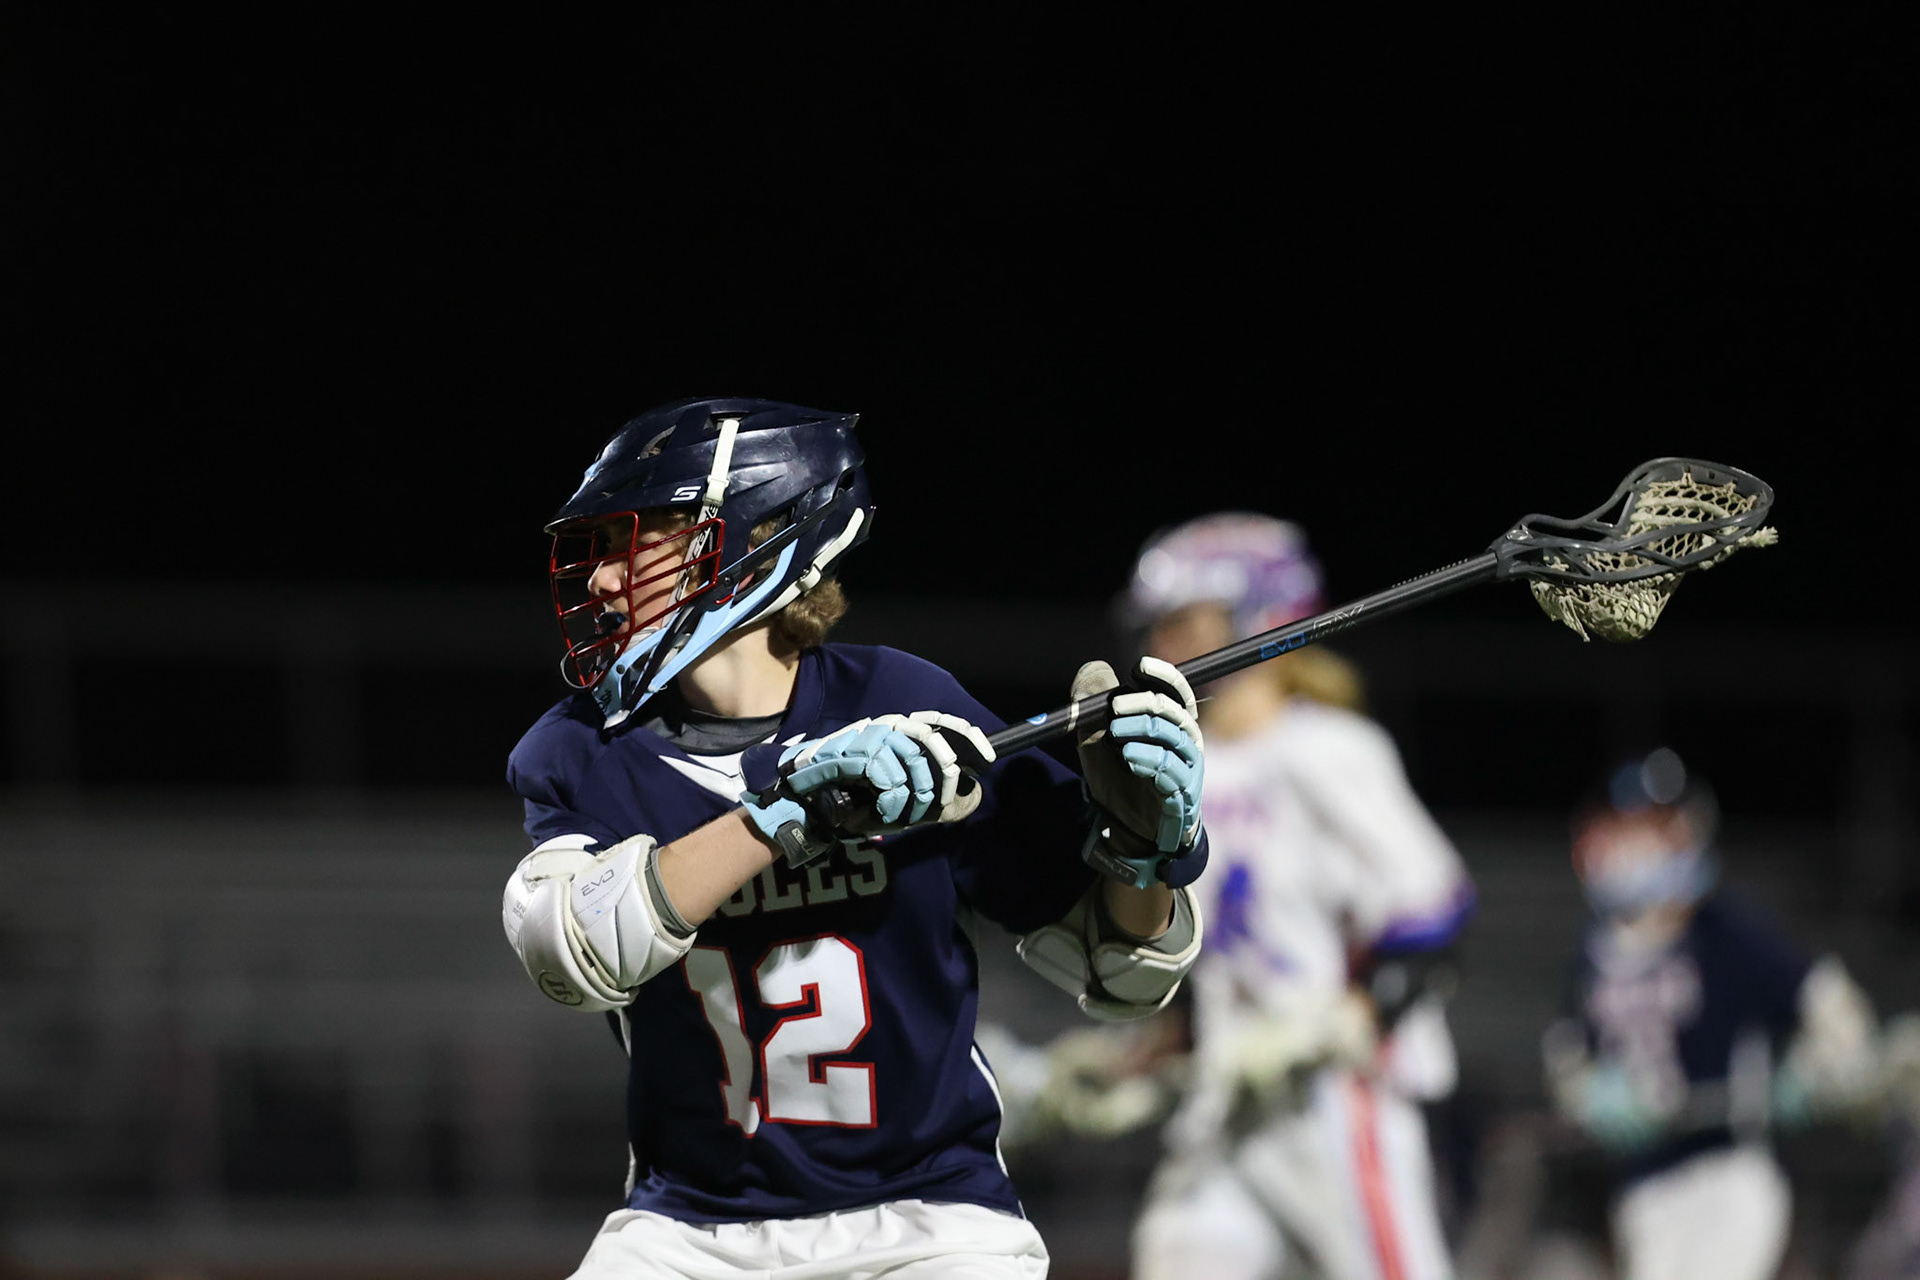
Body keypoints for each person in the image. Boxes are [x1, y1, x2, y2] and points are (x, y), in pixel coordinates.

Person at [497, 396, 1212, 1280]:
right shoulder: (578, 750)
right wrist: (787, 817)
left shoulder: (904, 700)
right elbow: (574, 950)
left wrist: (1141, 851)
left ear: (761, 531)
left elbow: (1120, 968)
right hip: (689, 1231)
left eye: (636, 541)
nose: (603, 581)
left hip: (930, 1221)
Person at [1032, 513, 1476, 1280]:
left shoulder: (1329, 749)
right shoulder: (1181, 767)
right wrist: (1144, 1056)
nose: (1166, 645)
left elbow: (1431, 914)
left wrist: (1340, 1021)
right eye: (1161, 624)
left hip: (1334, 1097)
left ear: (1265, 618)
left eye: (1188, 621)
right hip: (1225, 1103)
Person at [1540, 746, 1883, 1280]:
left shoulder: (1723, 930)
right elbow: (1568, 1058)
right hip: (1645, 1187)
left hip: (1726, 1174)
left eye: (1659, 826)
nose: (1647, 843)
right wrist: (1596, 1098)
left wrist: (1823, 1069)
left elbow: (1827, 1001)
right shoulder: (1594, 950)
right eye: (1634, 826)